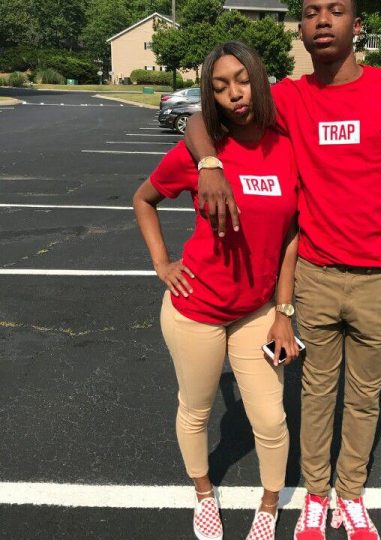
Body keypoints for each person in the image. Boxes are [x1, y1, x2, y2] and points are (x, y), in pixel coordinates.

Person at [184, 1, 381, 539]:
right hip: (316, 274)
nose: (323, 20)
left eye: (336, 10)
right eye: (311, 11)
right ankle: (317, 497)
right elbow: (200, 118)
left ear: (356, 25)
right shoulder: (291, 98)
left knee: (365, 396)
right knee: (316, 392)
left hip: (379, 274)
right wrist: (209, 164)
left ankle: (352, 494)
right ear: (300, 29)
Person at [133, 41, 301, 540]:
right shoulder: (202, 151)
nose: (234, 93)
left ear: (259, 78)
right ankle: (204, 492)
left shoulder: (285, 143)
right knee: (197, 409)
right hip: (196, 309)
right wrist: (162, 263)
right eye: (220, 86)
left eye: (242, 80)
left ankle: (268, 508)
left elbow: (292, 233)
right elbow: (144, 199)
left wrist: (284, 310)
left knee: (270, 418)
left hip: (258, 311)